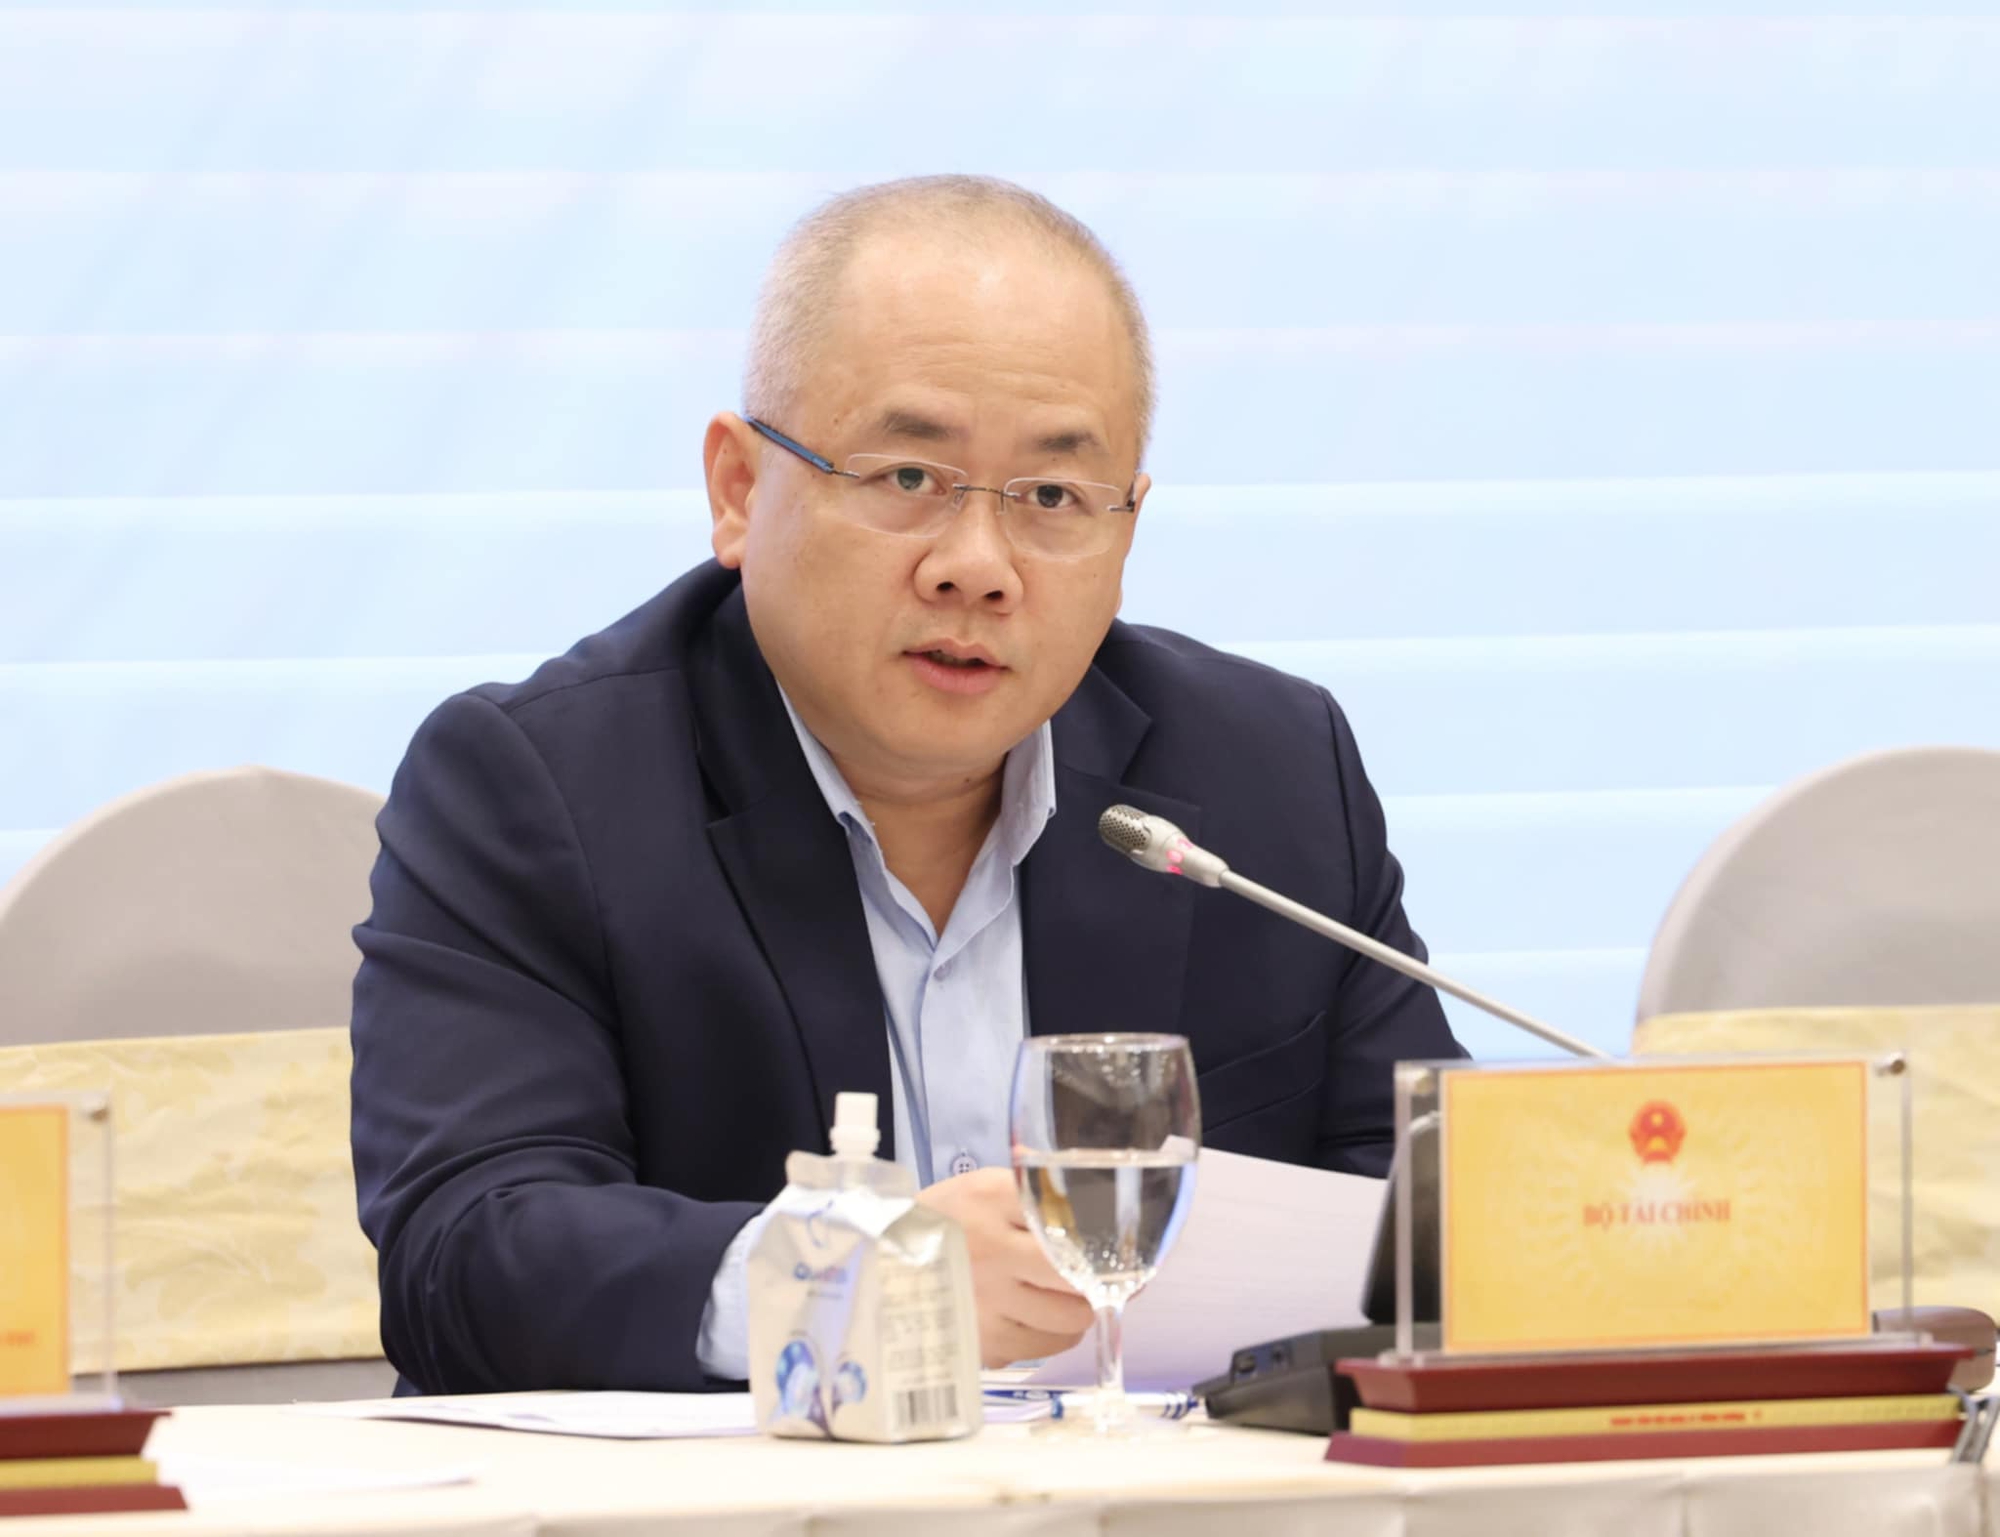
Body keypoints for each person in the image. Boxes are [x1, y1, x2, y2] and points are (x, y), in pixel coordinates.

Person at [349, 175, 1462, 1396]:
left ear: (1126, 529)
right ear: (737, 489)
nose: (976, 567)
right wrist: (854, 1280)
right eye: (907, 478)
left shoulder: (1264, 774)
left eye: (1051, 497)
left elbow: (1433, 1215)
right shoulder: (536, 790)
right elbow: (466, 1258)